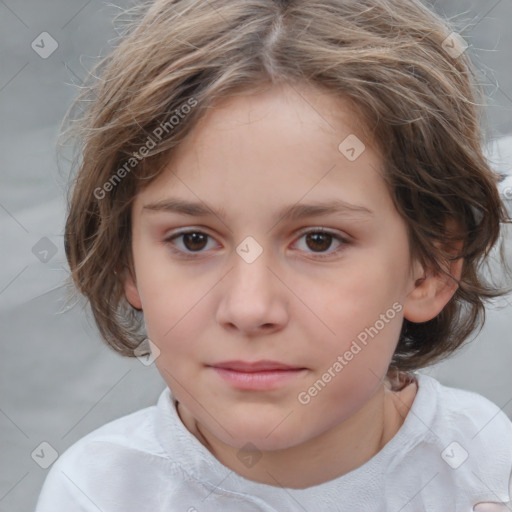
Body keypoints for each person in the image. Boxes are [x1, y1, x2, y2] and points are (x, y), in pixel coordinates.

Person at [35, 0, 512, 510]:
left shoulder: (486, 469)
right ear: (127, 262)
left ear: (430, 269)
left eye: (319, 241)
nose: (249, 308)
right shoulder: (99, 493)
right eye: (193, 240)